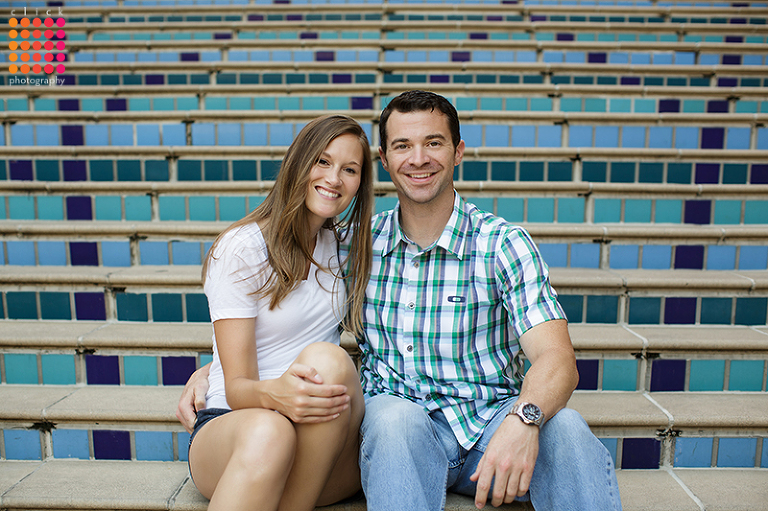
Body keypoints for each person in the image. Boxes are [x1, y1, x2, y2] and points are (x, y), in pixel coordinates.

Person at [178, 92, 622, 511]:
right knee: (392, 422)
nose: (419, 158)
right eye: (403, 146)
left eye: (434, 143)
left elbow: (557, 359)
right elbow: (279, 313)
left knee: (563, 427)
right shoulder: (357, 244)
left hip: (490, 422)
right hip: (399, 421)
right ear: (387, 161)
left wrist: (524, 421)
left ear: (458, 152)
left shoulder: (502, 243)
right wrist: (216, 371)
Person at [181, 114, 373, 511]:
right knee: (270, 430)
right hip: (239, 428)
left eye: (349, 169)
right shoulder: (242, 248)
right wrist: (275, 394)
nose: (334, 178)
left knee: (330, 361)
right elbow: (236, 388)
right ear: (297, 163)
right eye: (322, 161)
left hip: (319, 447)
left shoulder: (343, 247)